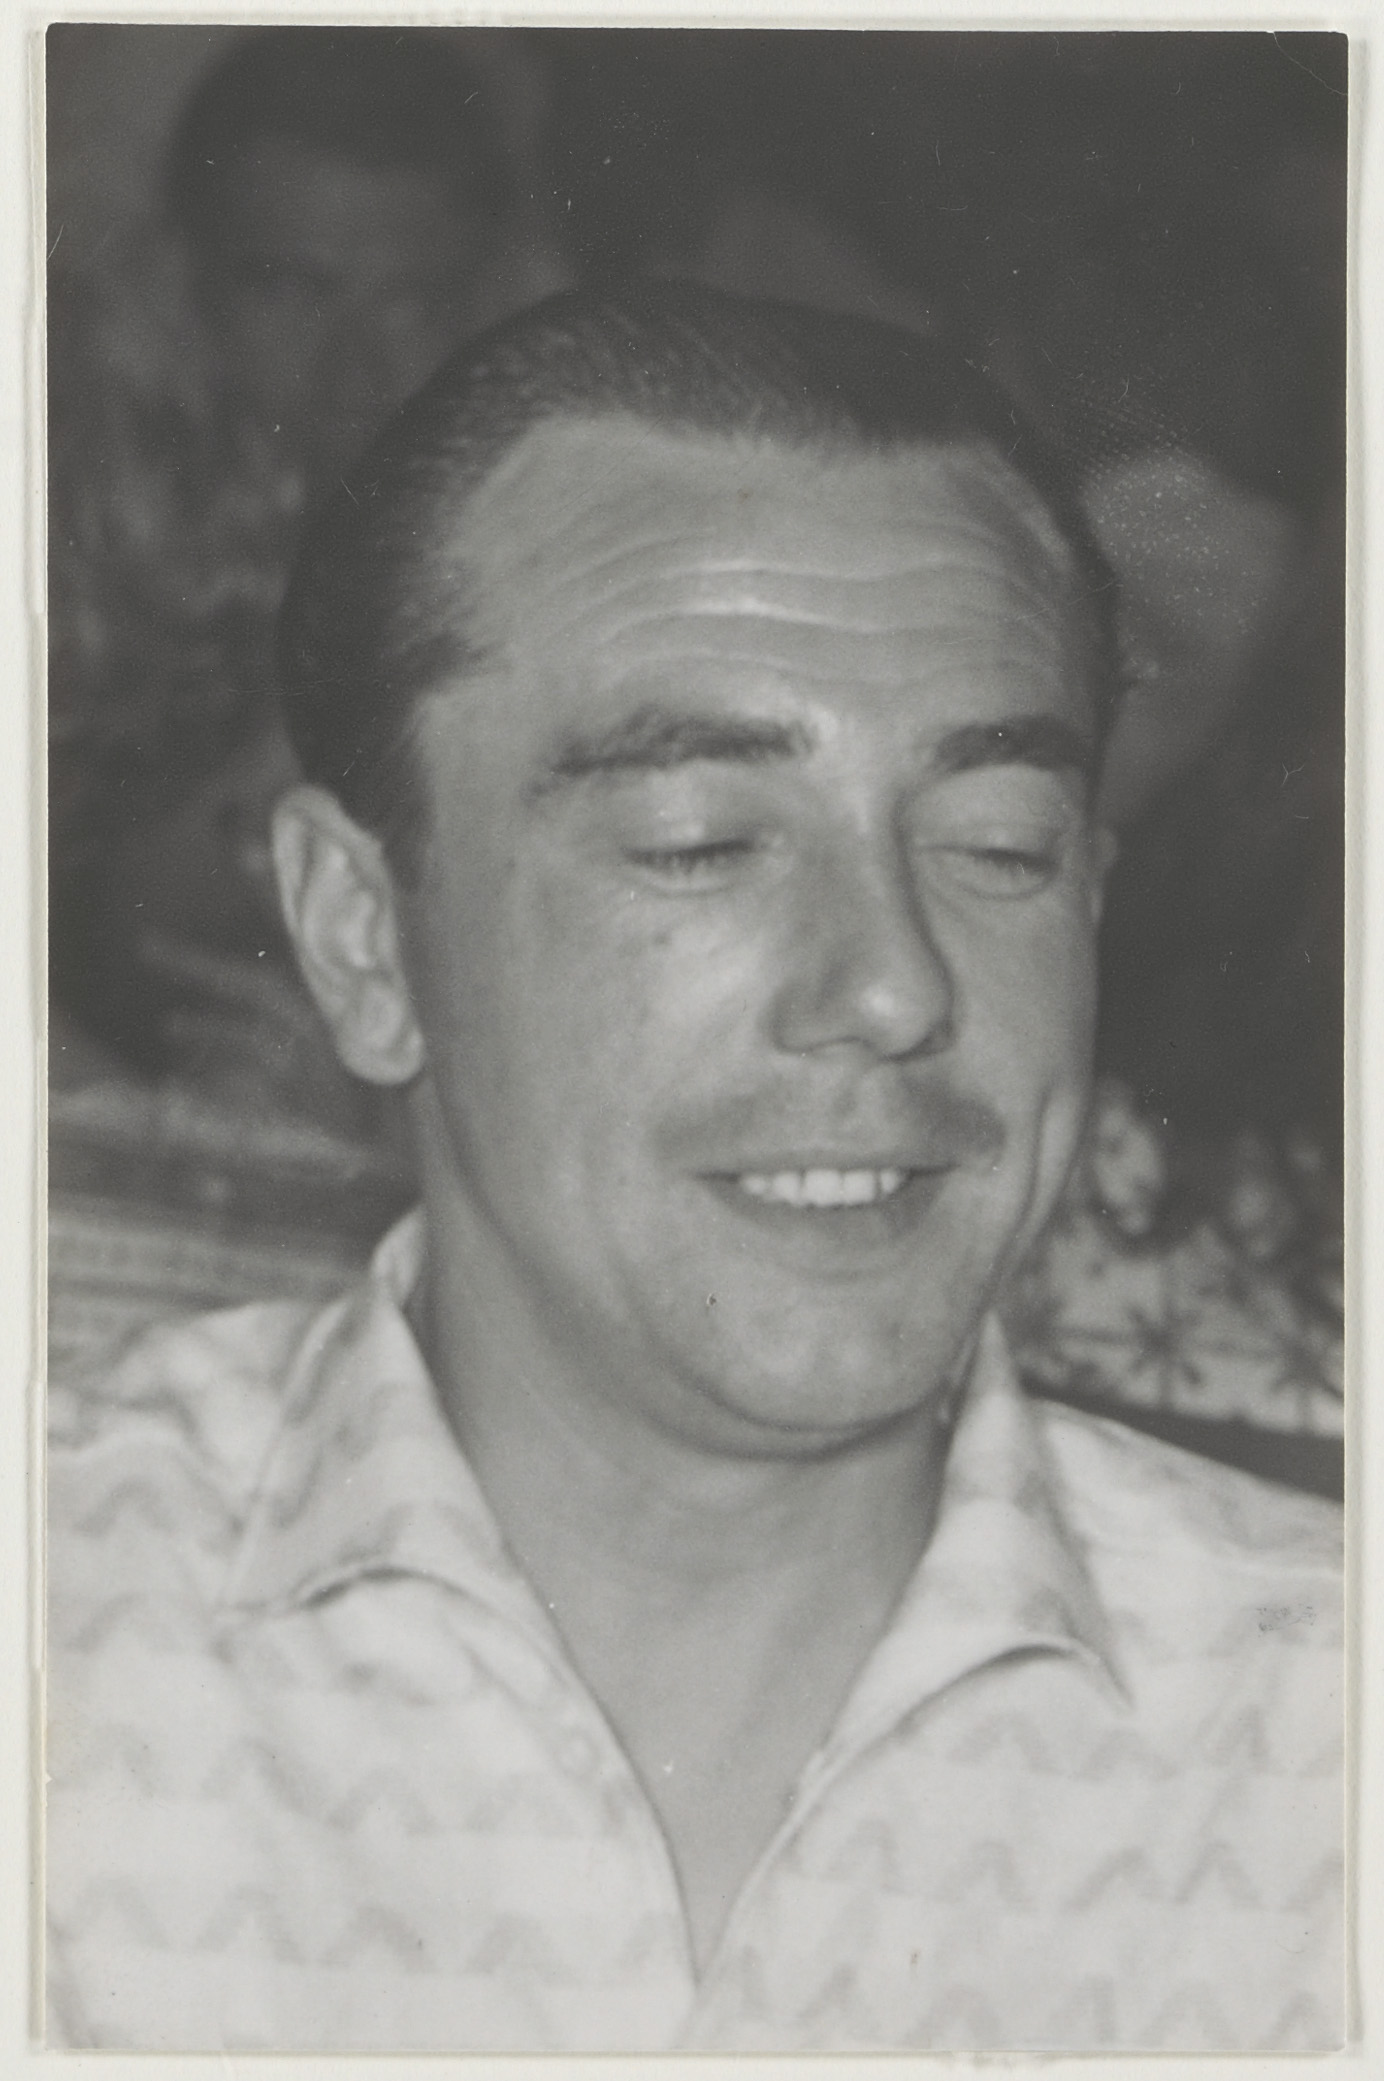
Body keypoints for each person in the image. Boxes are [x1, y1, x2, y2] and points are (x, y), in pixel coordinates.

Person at [46, 284, 1342, 2054]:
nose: (892, 986)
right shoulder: (60, 1632)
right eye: (700, 841)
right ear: (360, 938)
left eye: (996, 846)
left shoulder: (1319, 1740)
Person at [50, 27, 569, 1116]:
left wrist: (379, 1126)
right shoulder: (64, 538)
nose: (355, 364)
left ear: (489, 295)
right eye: (293, 289)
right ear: (176, 285)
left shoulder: (564, 573)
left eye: (411, 300)